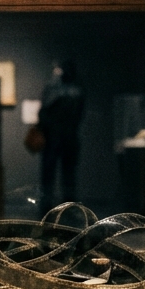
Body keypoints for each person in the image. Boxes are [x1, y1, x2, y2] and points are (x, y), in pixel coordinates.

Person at [38, 61, 84, 209]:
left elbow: (43, 114)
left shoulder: (56, 90)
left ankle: (55, 207)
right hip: (63, 138)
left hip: (57, 138)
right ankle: (61, 207)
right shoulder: (76, 92)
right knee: (64, 177)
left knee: (59, 177)